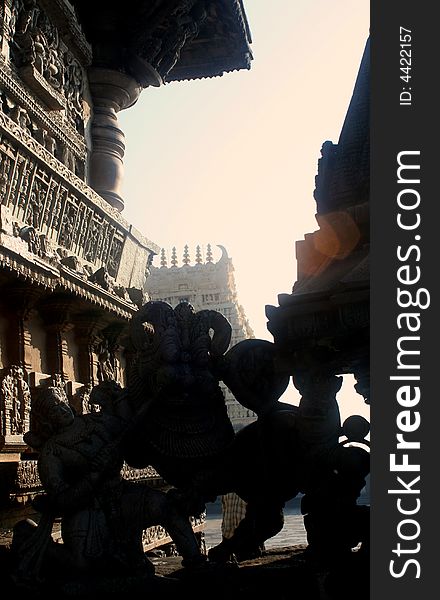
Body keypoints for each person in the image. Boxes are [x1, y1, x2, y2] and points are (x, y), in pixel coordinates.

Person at [11, 385, 205, 585]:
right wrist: (93, 476)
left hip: (121, 493)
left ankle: (197, 564)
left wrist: (119, 399)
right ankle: (33, 540)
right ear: (46, 420)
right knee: (84, 564)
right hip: (87, 510)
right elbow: (60, 498)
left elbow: (126, 428)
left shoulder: (94, 421)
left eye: (62, 403)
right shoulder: (52, 452)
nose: (61, 410)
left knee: (166, 507)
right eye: (53, 410)